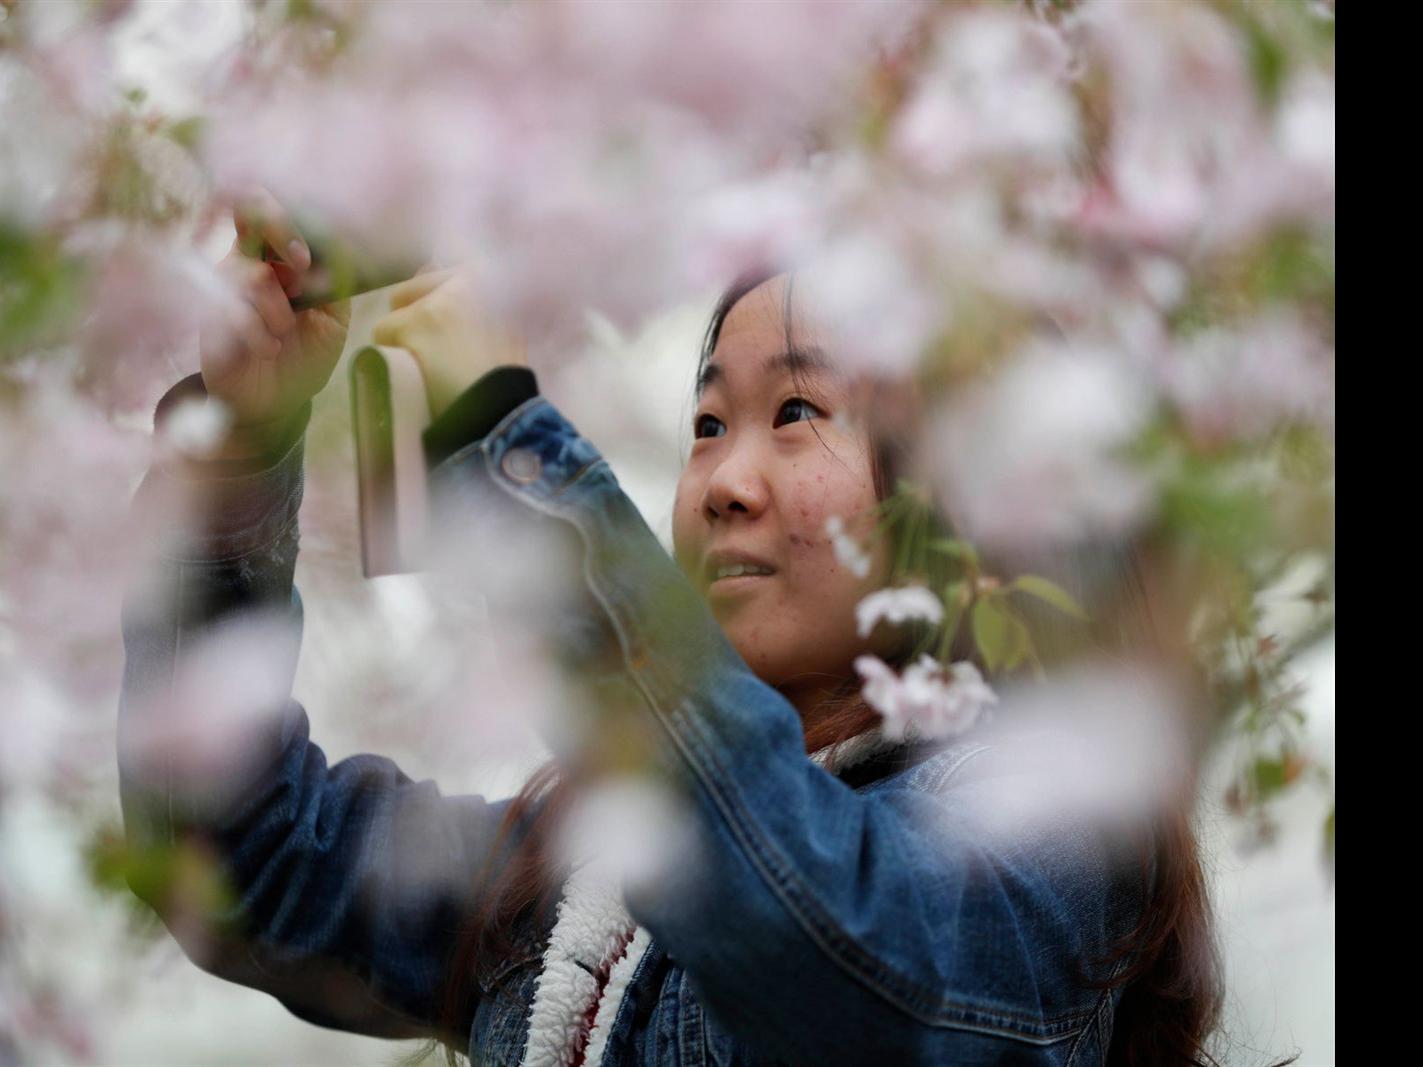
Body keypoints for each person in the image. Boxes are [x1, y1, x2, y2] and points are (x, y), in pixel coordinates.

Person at [117, 194, 1232, 1067]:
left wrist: (502, 440)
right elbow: (243, 863)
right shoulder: (580, 858)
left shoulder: (1051, 832)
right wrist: (236, 450)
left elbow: (838, 942)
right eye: (707, 422)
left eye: (797, 411)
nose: (723, 481)